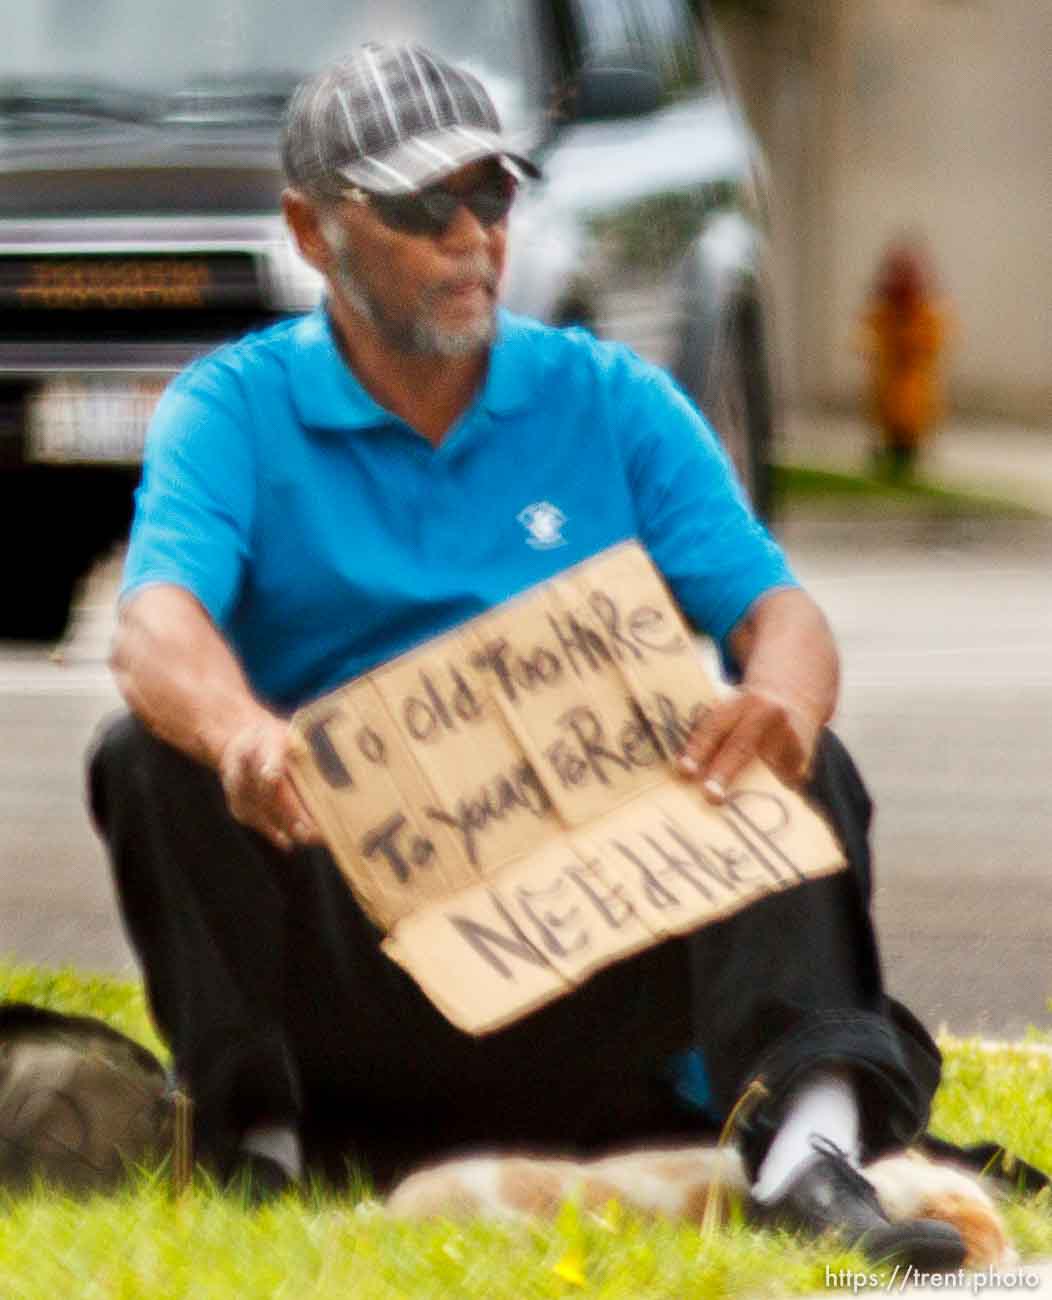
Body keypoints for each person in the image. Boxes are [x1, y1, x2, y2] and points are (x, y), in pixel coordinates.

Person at [88, 43, 963, 1268]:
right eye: (415, 206)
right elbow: (154, 624)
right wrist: (242, 733)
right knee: (147, 755)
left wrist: (775, 694)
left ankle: (804, 1161)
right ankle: (260, 1144)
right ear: (309, 229)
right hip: (365, 962)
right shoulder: (230, 407)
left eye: (489, 196)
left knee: (793, 757)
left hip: (596, 959)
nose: (468, 236)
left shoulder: (610, 397)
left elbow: (781, 614)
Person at [859, 240, 952, 480]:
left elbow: (933, 339)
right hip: (890, 381)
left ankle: (906, 455)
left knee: (910, 413)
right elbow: (868, 333)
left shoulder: (923, 313)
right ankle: (894, 454)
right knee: (891, 413)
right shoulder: (886, 313)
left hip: (911, 384)